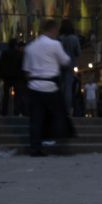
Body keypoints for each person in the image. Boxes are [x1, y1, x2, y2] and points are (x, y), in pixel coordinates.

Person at [22, 19, 71, 156]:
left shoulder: (30, 47)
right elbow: (65, 61)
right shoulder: (55, 44)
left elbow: (26, 71)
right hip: (50, 86)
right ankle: (59, 142)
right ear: (53, 30)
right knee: (59, 115)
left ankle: (35, 147)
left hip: (34, 86)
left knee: (36, 119)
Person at [58, 19, 80, 116]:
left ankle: (59, 107)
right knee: (68, 88)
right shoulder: (74, 39)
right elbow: (78, 52)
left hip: (59, 65)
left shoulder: (59, 38)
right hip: (70, 65)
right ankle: (67, 109)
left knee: (59, 86)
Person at [0, 38, 23, 116]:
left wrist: (1, 74)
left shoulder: (4, 53)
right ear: (15, 45)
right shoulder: (19, 54)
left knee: (6, 95)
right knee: (17, 95)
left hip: (7, 77)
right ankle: (16, 111)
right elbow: (21, 65)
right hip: (16, 77)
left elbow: (0, 64)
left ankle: (4, 111)